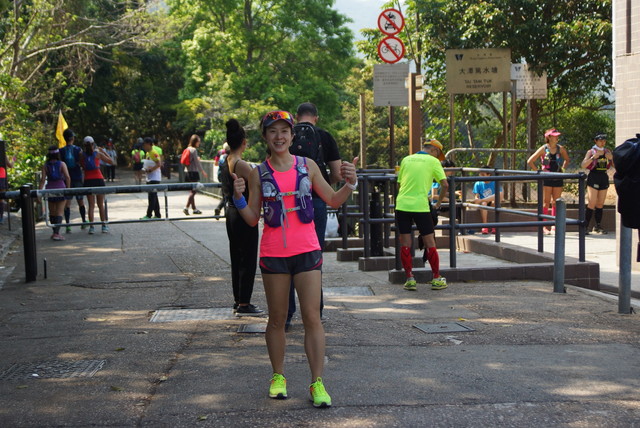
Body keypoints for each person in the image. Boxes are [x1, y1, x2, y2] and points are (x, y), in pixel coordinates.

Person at [231, 110, 358, 408]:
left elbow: (332, 199)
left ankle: (317, 383)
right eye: (272, 131)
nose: (279, 137)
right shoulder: (257, 173)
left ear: (292, 135)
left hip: (307, 252)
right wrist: (238, 198)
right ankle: (278, 377)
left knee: (312, 317)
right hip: (274, 254)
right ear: (265, 137)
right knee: (277, 319)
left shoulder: (308, 166)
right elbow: (252, 218)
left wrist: (350, 184)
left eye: (284, 131)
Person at [286, 102, 343, 327]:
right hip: (316, 201)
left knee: (286, 253)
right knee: (313, 255)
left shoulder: (285, 136)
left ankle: (286, 313)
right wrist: (321, 183)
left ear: (296, 116)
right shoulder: (325, 136)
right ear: (316, 118)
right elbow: (337, 173)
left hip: (288, 201)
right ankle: (314, 312)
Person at [219, 119, 262, 316]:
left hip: (230, 211)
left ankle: (238, 299)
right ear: (244, 142)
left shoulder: (226, 160)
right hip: (243, 212)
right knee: (248, 257)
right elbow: (259, 182)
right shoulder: (241, 164)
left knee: (236, 256)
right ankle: (245, 302)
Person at [396, 139, 449, 291]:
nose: (437, 157)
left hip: (402, 204)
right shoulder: (433, 161)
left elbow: (399, 183)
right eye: (438, 154)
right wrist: (438, 203)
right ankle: (436, 278)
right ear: (434, 150)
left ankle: (410, 279)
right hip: (421, 205)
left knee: (405, 243)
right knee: (429, 241)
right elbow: (445, 184)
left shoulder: (406, 159)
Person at [527, 128, 570, 235]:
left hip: (558, 177)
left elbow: (567, 159)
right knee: (546, 202)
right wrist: (539, 171)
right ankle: (544, 226)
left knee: (556, 202)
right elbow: (530, 161)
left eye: (557, 136)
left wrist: (563, 169)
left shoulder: (561, 149)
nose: (557, 138)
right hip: (546, 178)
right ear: (549, 137)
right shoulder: (543, 149)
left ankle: (554, 225)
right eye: (554, 136)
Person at [581, 133, 613, 234]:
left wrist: (611, 158)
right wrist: (593, 158)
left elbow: (615, 165)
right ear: (595, 141)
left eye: (604, 140)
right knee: (592, 202)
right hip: (593, 176)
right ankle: (585, 226)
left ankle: (598, 226)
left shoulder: (607, 151)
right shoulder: (591, 151)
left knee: (600, 203)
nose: (602, 142)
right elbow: (583, 165)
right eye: (600, 140)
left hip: (603, 176)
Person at [82, 136, 113, 234]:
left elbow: (82, 165)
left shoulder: (82, 155)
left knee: (91, 205)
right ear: (93, 144)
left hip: (88, 180)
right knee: (100, 205)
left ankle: (91, 227)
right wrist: (103, 151)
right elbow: (111, 161)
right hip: (98, 179)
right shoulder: (98, 154)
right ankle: (103, 225)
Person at [59, 129, 88, 233]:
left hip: (66, 178)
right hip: (77, 177)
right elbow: (82, 163)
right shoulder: (78, 149)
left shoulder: (61, 151)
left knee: (67, 202)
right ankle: (84, 222)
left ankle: (68, 225)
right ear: (72, 138)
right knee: (80, 201)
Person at [39, 146, 71, 241]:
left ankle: (54, 232)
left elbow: (42, 180)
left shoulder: (45, 166)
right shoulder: (62, 164)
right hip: (61, 188)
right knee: (60, 212)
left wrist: (39, 193)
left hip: (49, 189)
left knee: (52, 212)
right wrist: (68, 190)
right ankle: (57, 233)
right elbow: (67, 177)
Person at [472, 166, 503, 235]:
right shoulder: (478, 183)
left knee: (495, 202)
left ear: (489, 174)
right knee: (484, 203)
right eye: (480, 174)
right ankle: (485, 225)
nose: (481, 176)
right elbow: (476, 196)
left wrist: (483, 199)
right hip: (483, 203)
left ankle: (495, 225)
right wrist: (477, 199)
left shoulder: (495, 182)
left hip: (491, 201)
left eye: (483, 175)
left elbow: (499, 195)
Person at [182, 134, 209, 215]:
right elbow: (197, 163)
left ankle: (194, 208)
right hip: (193, 172)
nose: (199, 143)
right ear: (195, 142)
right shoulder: (193, 150)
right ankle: (186, 207)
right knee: (194, 191)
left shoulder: (187, 149)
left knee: (191, 190)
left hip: (187, 172)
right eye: (198, 141)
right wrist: (203, 171)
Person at [140, 137, 162, 220]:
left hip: (155, 177)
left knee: (152, 197)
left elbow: (159, 164)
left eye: (145, 145)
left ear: (149, 144)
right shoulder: (147, 153)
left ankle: (148, 215)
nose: (144, 147)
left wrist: (151, 170)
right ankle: (157, 214)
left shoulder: (153, 152)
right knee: (154, 196)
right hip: (150, 177)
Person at [214, 142, 230, 217]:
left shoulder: (220, 154)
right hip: (227, 177)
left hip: (220, 175)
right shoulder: (230, 156)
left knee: (225, 194)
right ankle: (220, 208)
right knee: (227, 195)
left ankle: (222, 210)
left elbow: (216, 163)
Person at [0, 152, 14, 225]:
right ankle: (1, 217)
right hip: (1, 175)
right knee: (1, 198)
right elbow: (10, 165)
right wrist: (13, 159)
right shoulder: (2, 153)